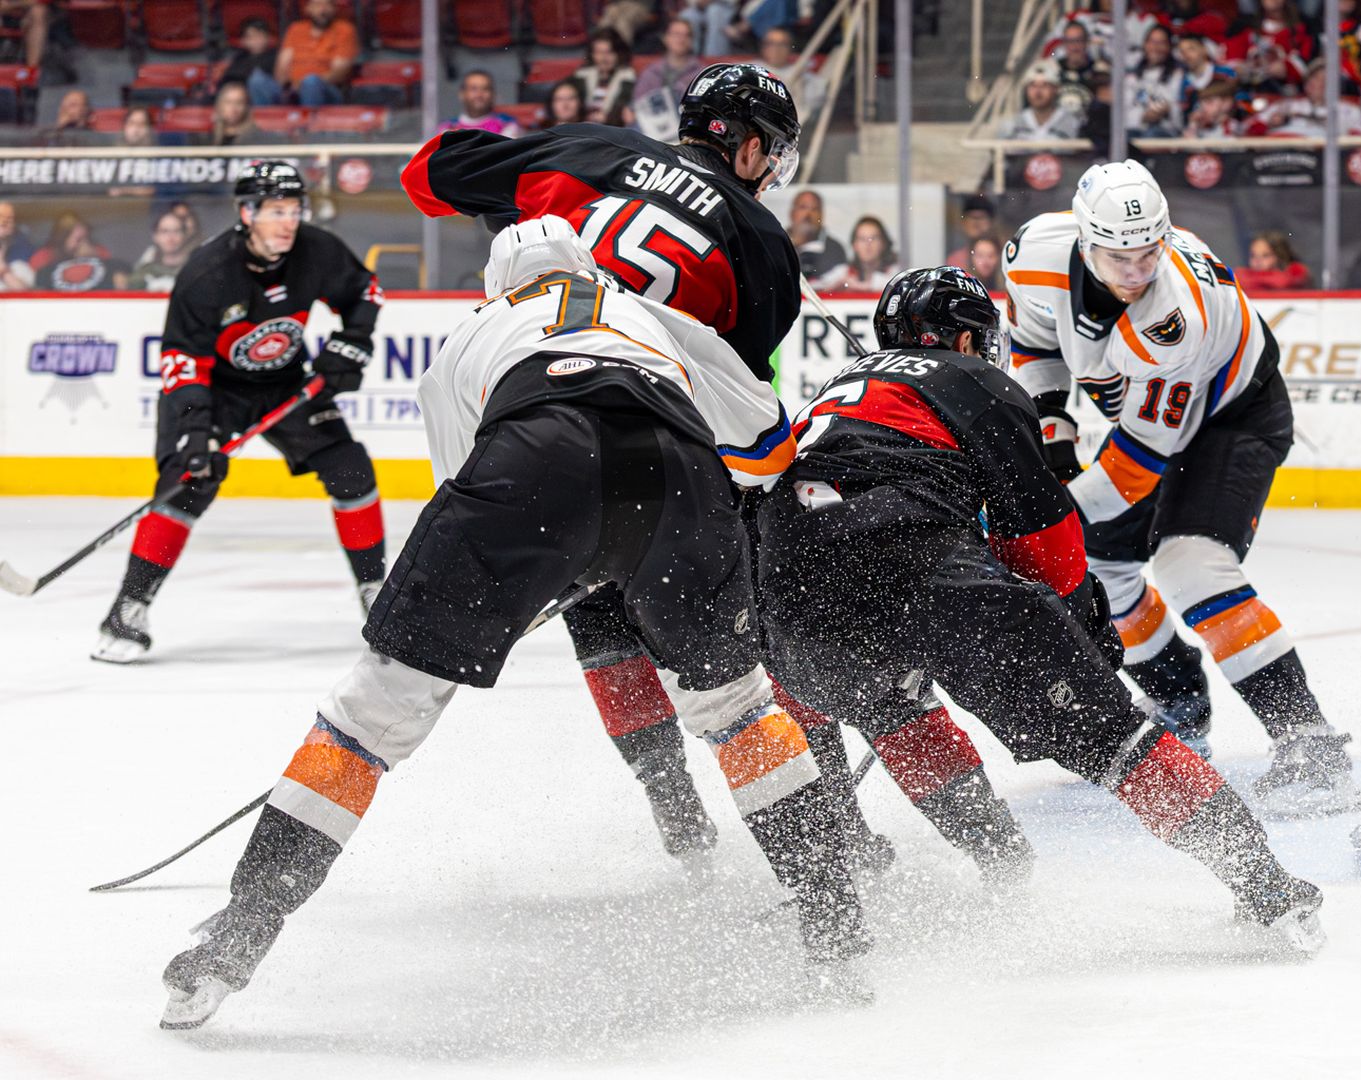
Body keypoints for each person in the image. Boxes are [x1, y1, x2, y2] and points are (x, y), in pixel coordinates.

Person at [155, 217, 867, 1031]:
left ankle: (235, 942)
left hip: (533, 455)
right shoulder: (652, 314)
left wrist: (535, 570)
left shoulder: (474, 332)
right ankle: (837, 927)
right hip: (681, 470)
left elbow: (465, 490)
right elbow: (768, 443)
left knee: (369, 719)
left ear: (497, 282)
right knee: (738, 710)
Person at [403, 65, 921, 871]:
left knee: (602, 627)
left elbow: (427, 172)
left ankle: (677, 820)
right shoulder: (763, 246)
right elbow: (730, 399)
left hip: (533, 432)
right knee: (750, 647)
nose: (773, 168)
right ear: (746, 144)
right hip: (665, 455)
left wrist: (537, 202)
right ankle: (834, 831)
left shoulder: (592, 150)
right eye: (772, 151)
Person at [760, 265, 1329, 944]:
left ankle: (949, 865)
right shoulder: (977, 382)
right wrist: (1084, 632)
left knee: (890, 707)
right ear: (967, 340)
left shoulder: (826, 394)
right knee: (1115, 741)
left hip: (784, 586)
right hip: (916, 562)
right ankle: (1264, 885)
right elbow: (1043, 538)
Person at [1002, 161, 1361, 815]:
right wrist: (1052, 454)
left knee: (1190, 563)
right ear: (1086, 242)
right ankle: (1179, 702)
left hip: (1234, 415)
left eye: (1150, 253)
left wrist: (1043, 519)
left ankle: (1311, 745)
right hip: (1158, 419)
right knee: (1103, 565)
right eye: (1120, 257)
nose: (1137, 272)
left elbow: (1137, 465)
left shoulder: (1174, 318)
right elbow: (1034, 347)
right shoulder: (1034, 255)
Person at [92, 163, 387, 663]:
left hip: (285, 384)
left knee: (351, 470)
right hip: (216, 391)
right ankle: (128, 607)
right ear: (247, 213)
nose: (288, 222)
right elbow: (182, 362)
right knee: (188, 483)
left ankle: (376, 594)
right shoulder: (207, 273)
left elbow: (364, 292)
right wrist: (196, 431)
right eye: (276, 211)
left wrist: (350, 344)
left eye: (294, 210)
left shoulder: (317, 249)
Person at [1249, 59, 1361, 137]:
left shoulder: (1350, 111)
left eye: (1323, 80)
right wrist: (1268, 125)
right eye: (1313, 78)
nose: (1315, 83)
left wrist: (1348, 137)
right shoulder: (1285, 105)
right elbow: (1248, 130)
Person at [275, 0, 359, 107]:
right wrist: (286, 87)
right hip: (292, 89)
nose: (323, 10)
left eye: (327, 5)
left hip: (327, 89)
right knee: (258, 82)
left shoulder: (345, 30)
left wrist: (303, 84)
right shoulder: (296, 29)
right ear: (307, 9)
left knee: (311, 82)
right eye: (317, 5)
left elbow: (339, 72)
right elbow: (282, 65)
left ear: (334, 9)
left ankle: (308, 122)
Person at [631, 17, 704, 133]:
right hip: (651, 128)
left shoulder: (701, 74)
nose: (681, 39)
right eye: (676, 34)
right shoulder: (651, 72)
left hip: (684, 130)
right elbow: (638, 105)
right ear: (666, 38)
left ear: (691, 41)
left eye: (687, 35)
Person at [32, 211, 130, 293]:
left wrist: (93, 256)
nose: (83, 243)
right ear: (62, 238)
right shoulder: (44, 257)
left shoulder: (100, 253)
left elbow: (121, 282)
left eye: (86, 238)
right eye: (78, 239)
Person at [998, 60, 1085, 140]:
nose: (1038, 92)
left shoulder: (1073, 125)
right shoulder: (1012, 126)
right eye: (1033, 85)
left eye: (1044, 85)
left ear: (1056, 89)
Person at [1126, 23, 1185, 137]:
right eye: (1152, 42)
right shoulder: (1132, 77)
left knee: (1152, 133)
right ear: (1145, 44)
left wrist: (1168, 110)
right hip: (1137, 128)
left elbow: (1180, 110)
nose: (1155, 47)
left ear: (1169, 47)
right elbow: (1124, 111)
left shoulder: (1178, 75)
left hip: (1166, 130)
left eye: (1161, 43)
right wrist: (1143, 116)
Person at [815, 215, 898, 292]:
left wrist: (863, 286)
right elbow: (813, 287)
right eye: (862, 239)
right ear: (854, 245)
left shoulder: (895, 273)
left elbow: (899, 288)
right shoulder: (843, 272)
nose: (868, 244)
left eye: (873, 238)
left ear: (883, 243)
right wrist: (832, 288)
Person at [1051, 19, 1112, 119]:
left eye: (1079, 41)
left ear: (1087, 42)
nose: (1074, 47)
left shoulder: (1101, 72)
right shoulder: (1052, 70)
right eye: (1070, 41)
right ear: (1064, 44)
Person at [787, 188, 849, 284]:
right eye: (803, 207)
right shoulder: (776, 244)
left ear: (821, 215)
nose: (808, 214)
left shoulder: (834, 250)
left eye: (814, 209)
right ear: (792, 213)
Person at [575, 28, 636, 125]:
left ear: (619, 54)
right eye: (598, 52)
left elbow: (622, 105)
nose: (603, 58)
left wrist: (606, 118)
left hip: (611, 129)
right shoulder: (583, 74)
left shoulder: (626, 75)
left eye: (609, 52)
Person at [221, 17, 282, 107]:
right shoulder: (240, 57)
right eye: (250, 37)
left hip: (271, 99)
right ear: (244, 41)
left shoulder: (275, 55)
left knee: (257, 80)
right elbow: (228, 78)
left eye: (259, 36)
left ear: (267, 38)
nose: (256, 40)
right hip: (242, 98)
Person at [439, 71, 522, 137]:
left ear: (493, 94)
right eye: (473, 89)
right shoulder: (448, 128)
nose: (479, 95)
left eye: (485, 89)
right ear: (462, 94)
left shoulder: (507, 124)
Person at [129, 210, 195, 292]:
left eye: (176, 231)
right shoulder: (143, 273)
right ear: (155, 236)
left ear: (185, 235)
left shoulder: (195, 271)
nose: (171, 237)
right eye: (165, 231)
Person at [1175, 31, 1235, 118]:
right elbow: (1184, 113)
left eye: (1191, 49)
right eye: (1182, 51)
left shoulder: (1225, 73)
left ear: (1204, 49)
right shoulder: (1183, 83)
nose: (1186, 55)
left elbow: (1240, 100)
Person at [1239, 230, 1310, 290]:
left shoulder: (1294, 279)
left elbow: (1283, 282)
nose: (1257, 260)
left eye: (1265, 255)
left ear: (1280, 257)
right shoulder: (1240, 280)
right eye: (1253, 255)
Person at [945, 193, 997, 268]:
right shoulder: (956, 261)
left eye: (981, 217)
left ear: (991, 222)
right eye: (972, 218)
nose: (976, 223)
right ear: (963, 222)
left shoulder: (1002, 257)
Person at [0, 0, 47, 71]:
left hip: (28, 13)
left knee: (38, 13)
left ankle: (31, 70)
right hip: (7, 12)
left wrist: (14, 5)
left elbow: (36, 2)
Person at [0, 200, 33, 291]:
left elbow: (25, 295)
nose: (4, 223)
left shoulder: (19, 266)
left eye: (9, 219)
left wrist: (3, 270)